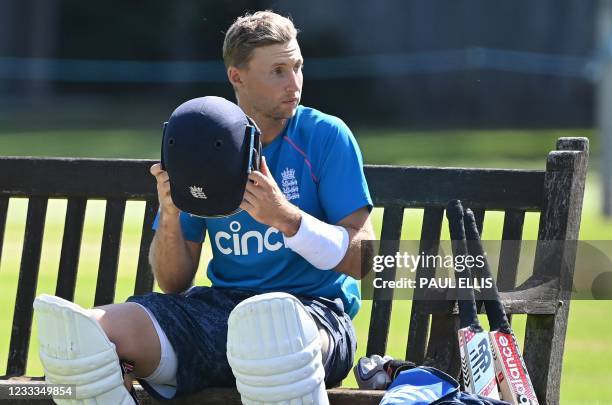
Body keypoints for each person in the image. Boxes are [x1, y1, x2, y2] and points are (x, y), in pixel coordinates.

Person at [34, 10, 374, 404]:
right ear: (237, 76)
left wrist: (287, 219)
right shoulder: (204, 141)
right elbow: (173, 282)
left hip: (314, 315)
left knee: (274, 343)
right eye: (278, 71)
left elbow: (363, 259)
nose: (294, 83)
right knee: (87, 340)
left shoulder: (325, 136)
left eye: (297, 66)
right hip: (221, 312)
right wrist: (173, 215)